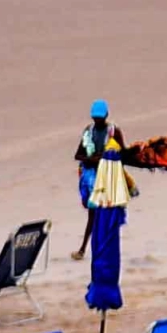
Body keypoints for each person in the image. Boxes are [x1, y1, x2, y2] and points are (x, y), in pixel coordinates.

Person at [71, 101, 113, 259]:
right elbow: (78, 154)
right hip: (91, 180)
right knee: (93, 215)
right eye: (95, 118)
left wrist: (100, 159)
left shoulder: (112, 132)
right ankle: (83, 249)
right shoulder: (88, 131)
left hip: (106, 178)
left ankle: (97, 249)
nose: (97, 121)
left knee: (106, 216)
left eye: (100, 118)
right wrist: (90, 159)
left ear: (106, 116)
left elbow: (119, 153)